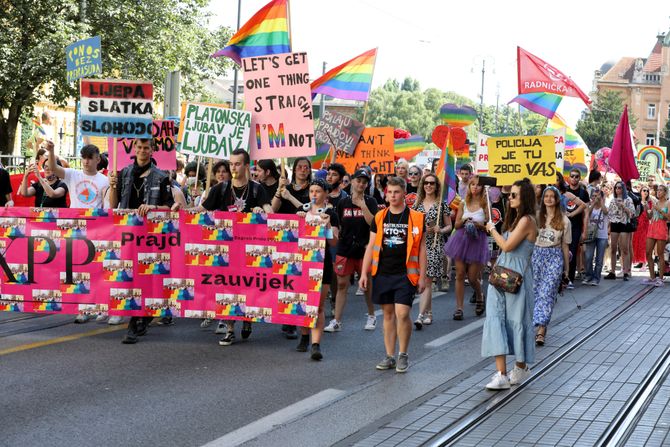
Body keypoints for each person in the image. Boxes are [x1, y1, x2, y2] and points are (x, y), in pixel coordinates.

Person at [197, 148, 273, 345]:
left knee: (247, 287)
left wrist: (262, 211)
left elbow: (269, 210)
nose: (233, 168)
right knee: (228, 288)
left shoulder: (257, 189)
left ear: (246, 166)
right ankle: (230, 329)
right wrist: (180, 210)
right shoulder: (220, 189)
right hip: (227, 249)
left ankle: (247, 318)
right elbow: (200, 210)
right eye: (231, 164)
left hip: (250, 251)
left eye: (237, 164)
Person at [107, 138, 175, 343]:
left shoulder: (161, 177)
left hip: (151, 236)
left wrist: (152, 208)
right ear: (134, 149)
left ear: (153, 150)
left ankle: (136, 322)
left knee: (145, 277)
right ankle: (140, 318)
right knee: (131, 276)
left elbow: (170, 207)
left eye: (147, 148)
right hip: (128, 234)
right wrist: (112, 187)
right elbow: (114, 206)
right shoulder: (124, 173)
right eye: (140, 147)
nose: (143, 151)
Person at [359, 176, 426, 373]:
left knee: (403, 313)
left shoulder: (416, 217)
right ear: (386, 194)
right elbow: (371, 246)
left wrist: (422, 276)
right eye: (390, 192)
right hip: (382, 273)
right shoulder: (379, 217)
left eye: (397, 192)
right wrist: (364, 272)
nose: (393, 195)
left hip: (406, 274)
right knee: (388, 315)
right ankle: (389, 356)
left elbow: (422, 249)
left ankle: (403, 354)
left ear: (404, 193)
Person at [482, 178, 538, 390]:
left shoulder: (527, 220)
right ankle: (501, 373)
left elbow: (506, 245)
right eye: (509, 194)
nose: (510, 198)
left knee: (516, 321)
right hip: (501, 276)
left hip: (516, 279)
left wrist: (492, 229)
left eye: (514, 195)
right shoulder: (515, 219)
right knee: (496, 320)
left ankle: (520, 366)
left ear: (524, 197)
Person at [47, 141, 109, 323]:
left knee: (98, 271)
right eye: (83, 158)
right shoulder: (72, 174)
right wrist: (51, 151)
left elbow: (107, 205)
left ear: (98, 159)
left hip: (96, 231)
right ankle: (84, 308)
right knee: (79, 271)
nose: (86, 161)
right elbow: (53, 168)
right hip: (75, 231)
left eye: (90, 158)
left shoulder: (105, 180)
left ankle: (102, 306)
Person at [325, 168, 378, 333]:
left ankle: (371, 315)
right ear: (352, 181)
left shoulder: (371, 201)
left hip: (364, 249)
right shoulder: (343, 202)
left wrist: (362, 205)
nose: (361, 184)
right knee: (341, 284)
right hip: (345, 248)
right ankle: (337, 321)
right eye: (358, 180)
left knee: (366, 284)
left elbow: (373, 224)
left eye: (364, 181)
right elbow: (339, 224)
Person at [295, 179, 339, 360]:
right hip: (302, 262)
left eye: (318, 191)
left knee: (318, 305)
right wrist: (296, 220)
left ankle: (316, 344)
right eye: (312, 191)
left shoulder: (331, 214)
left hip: (322, 263)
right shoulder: (302, 212)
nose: (314, 194)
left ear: (325, 194)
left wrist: (327, 226)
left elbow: (334, 242)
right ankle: (304, 336)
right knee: (303, 302)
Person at [444, 176, 490, 320]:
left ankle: (480, 295)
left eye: (478, 185)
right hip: (461, 239)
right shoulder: (463, 203)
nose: (475, 187)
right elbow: (456, 224)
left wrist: (478, 225)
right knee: (459, 274)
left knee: (472, 277)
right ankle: (459, 308)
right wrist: (464, 220)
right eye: (472, 185)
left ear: (482, 188)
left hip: (477, 241)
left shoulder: (486, 204)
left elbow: (489, 227)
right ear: (469, 187)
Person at [532, 186, 571, 346]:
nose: (548, 199)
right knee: (535, 292)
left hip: (554, 257)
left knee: (547, 293)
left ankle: (542, 328)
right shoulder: (536, 217)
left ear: (557, 199)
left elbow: (565, 246)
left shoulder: (564, 220)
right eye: (546, 196)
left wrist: (567, 269)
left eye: (552, 196)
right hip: (536, 256)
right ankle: (536, 322)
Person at [412, 173, 451, 329]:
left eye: (432, 183)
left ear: (436, 186)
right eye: (426, 183)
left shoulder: (442, 205)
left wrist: (439, 230)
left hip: (434, 245)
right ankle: (428, 313)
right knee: (421, 281)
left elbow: (449, 226)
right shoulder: (416, 205)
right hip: (419, 245)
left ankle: (420, 316)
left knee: (427, 281)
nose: (428, 185)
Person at [604, 181, 635, 280]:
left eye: (620, 187)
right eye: (616, 188)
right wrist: (608, 227)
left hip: (624, 224)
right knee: (613, 248)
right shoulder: (613, 200)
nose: (618, 189)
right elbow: (609, 214)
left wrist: (623, 206)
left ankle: (626, 272)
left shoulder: (628, 199)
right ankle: (612, 272)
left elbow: (632, 214)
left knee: (624, 249)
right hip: (614, 224)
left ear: (624, 189)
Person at [564, 169, 590, 285]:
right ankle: (562, 276)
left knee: (573, 252)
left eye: (576, 176)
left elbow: (585, 213)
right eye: (572, 176)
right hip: (563, 226)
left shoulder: (583, 193)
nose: (574, 178)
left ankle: (570, 278)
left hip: (576, 226)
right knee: (562, 251)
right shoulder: (565, 191)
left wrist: (584, 231)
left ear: (579, 178)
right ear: (569, 177)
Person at [643, 184, 669, 287]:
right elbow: (650, 217)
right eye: (657, 190)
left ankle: (661, 278)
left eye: (661, 190)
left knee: (660, 254)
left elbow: (668, 217)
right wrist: (646, 208)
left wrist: (658, 209)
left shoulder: (668, 203)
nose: (658, 192)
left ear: (665, 192)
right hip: (652, 228)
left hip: (661, 229)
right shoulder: (656, 203)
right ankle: (652, 277)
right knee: (648, 252)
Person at [583, 188, 609, 286]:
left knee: (599, 258)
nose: (594, 198)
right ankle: (588, 275)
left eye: (596, 196)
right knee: (588, 256)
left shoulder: (604, 207)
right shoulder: (590, 207)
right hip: (591, 235)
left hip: (602, 236)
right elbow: (587, 213)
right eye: (593, 196)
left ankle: (596, 278)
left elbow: (606, 212)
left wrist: (601, 201)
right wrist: (593, 203)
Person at [633, 185, 652, 269]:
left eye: (647, 191)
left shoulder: (650, 202)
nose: (645, 192)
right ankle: (639, 261)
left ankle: (644, 263)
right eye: (644, 190)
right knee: (637, 242)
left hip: (645, 224)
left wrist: (646, 205)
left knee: (644, 243)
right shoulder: (637, 201)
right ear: (640, 191)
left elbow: (649, 215)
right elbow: (635, 213)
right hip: (637, 224)